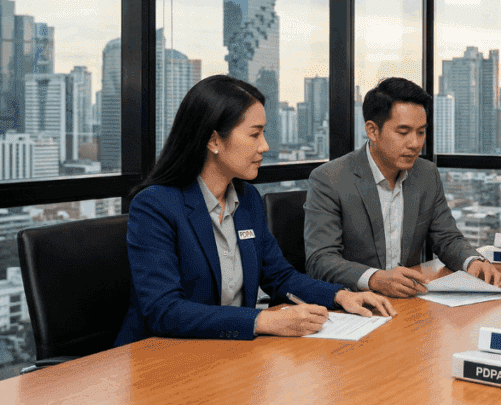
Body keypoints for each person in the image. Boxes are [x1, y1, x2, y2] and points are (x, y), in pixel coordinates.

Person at [114, 75, 394, 346]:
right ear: (213, 141)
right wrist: (261, 320)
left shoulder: (247, 200)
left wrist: (341, 296)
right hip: (162, 358)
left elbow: (280, 277)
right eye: (254, 134)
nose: (265, 146)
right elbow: (164, 310)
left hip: (230, 353)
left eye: (264, 133)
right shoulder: (155, 206)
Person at [304, 77, 501, 298]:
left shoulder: (426, 174)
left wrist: (472, 261)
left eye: (421, 132)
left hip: (409, 300)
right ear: (372, 131)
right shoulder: (330, 179)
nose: (415, 144)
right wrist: (375, 279)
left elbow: (447, 238)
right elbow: (320, 260)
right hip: (356, 303)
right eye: (403, 132)